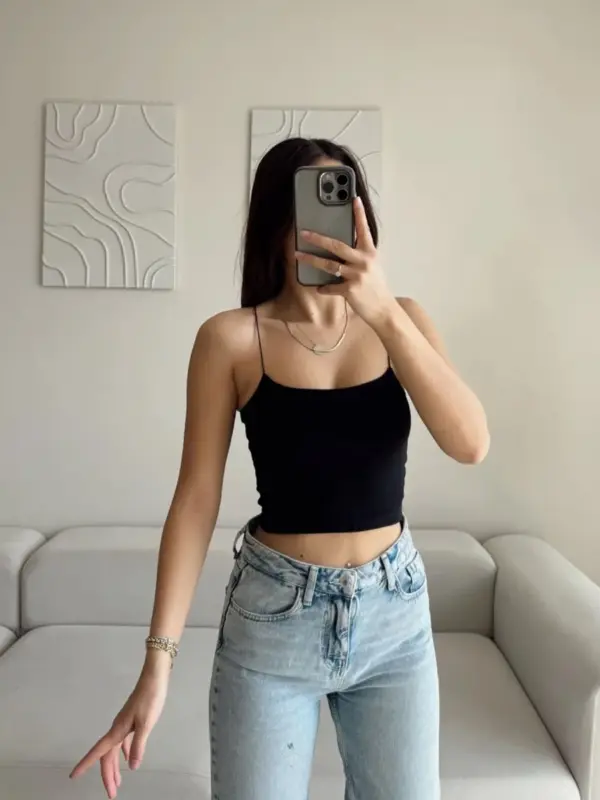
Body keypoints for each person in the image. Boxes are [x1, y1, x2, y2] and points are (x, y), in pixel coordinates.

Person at [70, 138, 489, 800]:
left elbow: (471, 443)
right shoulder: (231, 339)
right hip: (275, 619)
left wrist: (381, 310)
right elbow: (195, 501)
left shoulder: (402, 321)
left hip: (394, 617)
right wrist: (157, 666)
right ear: (277, 222)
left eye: (344, 202)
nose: (330, 226)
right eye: (310, 208)